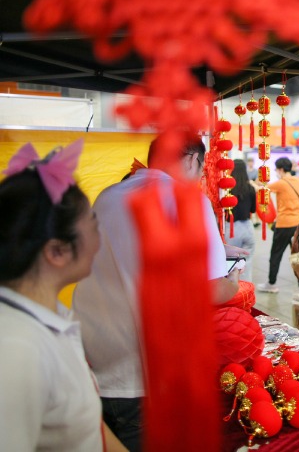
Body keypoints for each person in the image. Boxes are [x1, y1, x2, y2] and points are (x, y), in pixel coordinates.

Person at [73, 137, 241, 451]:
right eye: (202, 169)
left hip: (99, 368)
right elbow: (211, 290)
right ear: (192, 160)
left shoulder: (107, 197)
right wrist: (232, 281)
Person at [0, 140, 126, 451]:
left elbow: (88, 429)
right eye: (95, 225)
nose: (101, 239)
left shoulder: (48, 314)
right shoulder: (15, 349)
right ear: (57, 251)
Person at [257, 157, 299, 294]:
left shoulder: (281, 183)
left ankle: (271, 284)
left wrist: (255, 184)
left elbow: (263, 189)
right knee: (297, 254)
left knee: (276, 254)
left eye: (277, 169)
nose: (276, 172)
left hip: (284, 223)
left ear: (281, 169)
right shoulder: (297, 180)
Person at [225, 159, 256, 282]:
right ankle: (245, 293)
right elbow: (253, 210)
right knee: (246, 264)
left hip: (231, 229)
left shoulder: (226, 189)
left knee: (231, 264)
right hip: (248, 227)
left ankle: (232, 294)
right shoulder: (250, 188)